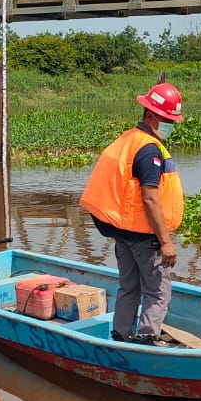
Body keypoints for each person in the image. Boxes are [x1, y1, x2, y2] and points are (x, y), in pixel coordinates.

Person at [79, 82, 184, 347]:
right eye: (166, 119)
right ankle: (147, 338)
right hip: (144, 235)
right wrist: (166, 241)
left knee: (128, 285)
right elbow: (150, 198)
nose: (170, 125)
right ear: (151, 116)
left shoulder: (129, 139)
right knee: (158, 292)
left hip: (123, 233)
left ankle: (121, 334)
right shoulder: (149, 149)